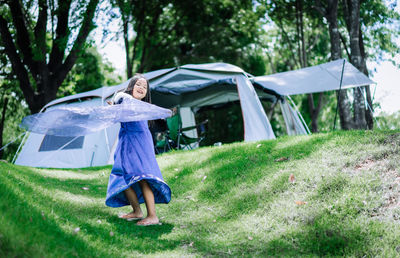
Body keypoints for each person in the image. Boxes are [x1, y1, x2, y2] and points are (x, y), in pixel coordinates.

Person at [105, 74, 171, 226]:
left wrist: (119, 99)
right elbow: (117, 114)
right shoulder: (125, 101)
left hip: (139, 143)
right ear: (131, 86)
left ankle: (152, 216)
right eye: (138, 85)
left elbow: (125, 101)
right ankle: (137, 211)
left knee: (142, 177)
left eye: (144, 87)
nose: (141, 88)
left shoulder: (138, 105)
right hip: (125, 143)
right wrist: (113, 107)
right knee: (122, 177)